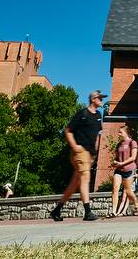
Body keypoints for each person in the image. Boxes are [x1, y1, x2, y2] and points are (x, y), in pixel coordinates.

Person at [51, 90, 105, 222]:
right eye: (100, 98)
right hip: (80, 152)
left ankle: (57, 210)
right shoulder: (83, 113)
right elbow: (68, 131)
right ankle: (87, 212)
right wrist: (75, 146)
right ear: (93, 99)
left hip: (89, 155)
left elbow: (98, 134)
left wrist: (95, 152)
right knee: (85, 179)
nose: (101, 101)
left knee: (75, 183)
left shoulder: (98, 115)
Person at [110, 124, 138, 217]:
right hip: (119, 170)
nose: (119, 134)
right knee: (115, 189)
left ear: (126, 133)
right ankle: (114, 211)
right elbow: (117, 157)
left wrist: (122, 163)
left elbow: (133, 157)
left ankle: (136, 204)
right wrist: (115, 162)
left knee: (128, 191)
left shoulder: (132, 143)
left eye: (120, 132)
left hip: (129, 169)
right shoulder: (119, 145)